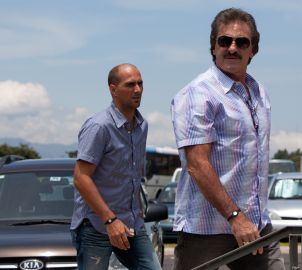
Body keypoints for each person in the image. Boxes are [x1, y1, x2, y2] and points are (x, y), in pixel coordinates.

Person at [171, 8, 285, 270]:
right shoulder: (197, 94)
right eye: (225, 41)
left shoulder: (259, 93)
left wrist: (249, 220)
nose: (232, 48)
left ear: (253, 49)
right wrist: (235, 217)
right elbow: (197, 165)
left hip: (256, 225)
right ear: (213, 46)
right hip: (206, 232)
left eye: (241, 42)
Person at [70, 63, 161, 269]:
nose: (137, 90)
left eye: (140, 84)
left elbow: (132, 177)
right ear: (113, 89)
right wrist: (110, 221)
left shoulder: (141, 126)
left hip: (131, 225)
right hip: (96, 226)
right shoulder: (99, 126)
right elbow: (80, 178)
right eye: (130, 85)